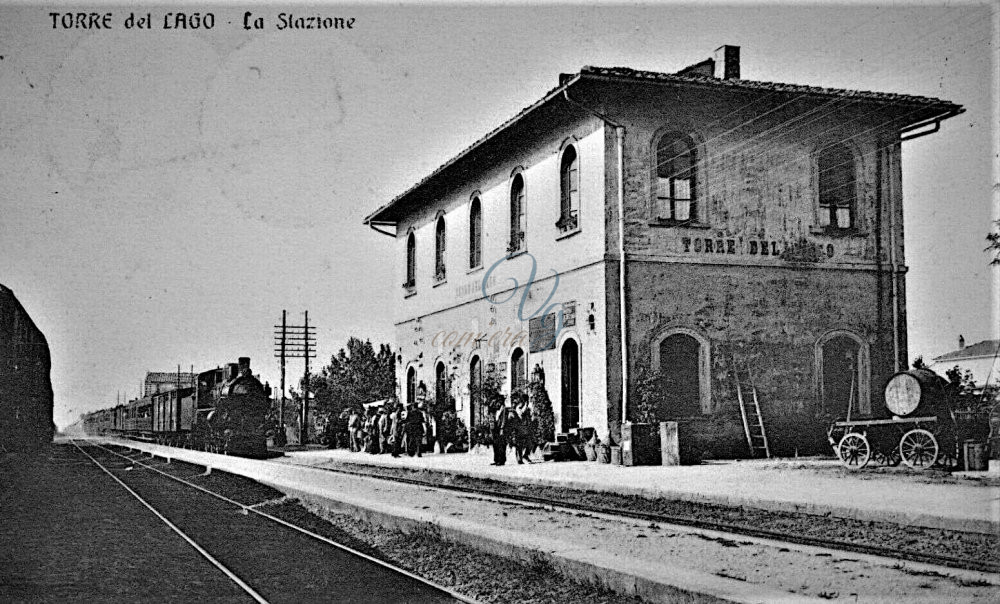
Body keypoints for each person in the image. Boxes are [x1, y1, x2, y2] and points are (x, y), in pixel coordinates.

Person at [515, 397, 534, 464]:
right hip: (520, 428)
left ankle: (525, 455)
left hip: (527, 428)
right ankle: (519, 459)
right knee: (519, 444)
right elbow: (521, 414)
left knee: (530, 443)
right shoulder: (518, 408)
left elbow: (531, 416)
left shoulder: (527, 408)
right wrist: (525, 406)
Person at [490, 402, 508, 466]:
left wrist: (502, 428)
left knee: (501, 445)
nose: (497, 404)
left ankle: (501, 460)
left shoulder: (504, 409)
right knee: (495, 444)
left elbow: (504, 420)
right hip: (495, 428)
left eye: (498, 402)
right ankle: (496, 459)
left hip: (501, 429)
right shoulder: (495, 410)